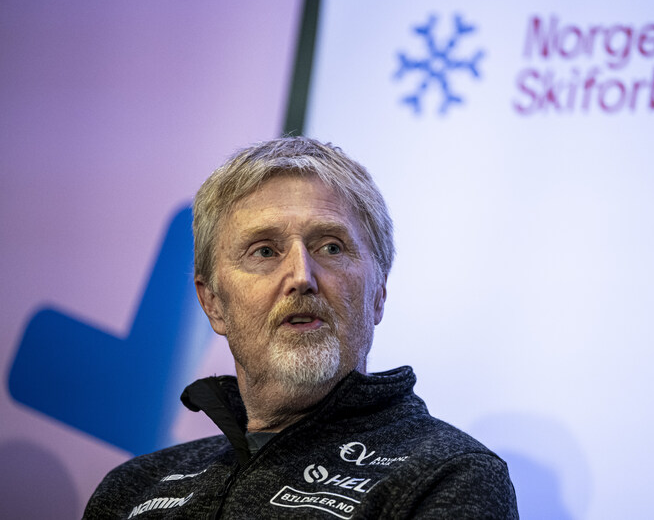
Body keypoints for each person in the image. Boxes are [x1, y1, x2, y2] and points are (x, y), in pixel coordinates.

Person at [83, 137, 518, 519]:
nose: (301, 276)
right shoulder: (132, 487)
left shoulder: (447, 475)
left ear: (379, 294)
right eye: (264, 251)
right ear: (213, 303)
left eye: (331, 247)